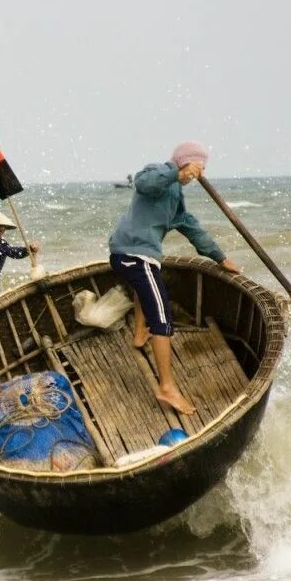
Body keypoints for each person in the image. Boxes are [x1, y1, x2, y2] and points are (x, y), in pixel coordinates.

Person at [108, 140, 242, 415]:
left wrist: (219, 257)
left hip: (135, 256)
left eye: (202, 169)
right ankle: (166, 387)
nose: (199, 174)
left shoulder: (176, 198)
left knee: (144, 285)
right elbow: (143, 183)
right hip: (134, 255)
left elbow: (191, 227)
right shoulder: (160, 173)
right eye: (197, 167)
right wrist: (176, 173)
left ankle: (138, 334)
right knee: (163, 320)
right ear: (185, 162)